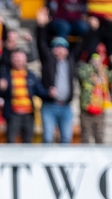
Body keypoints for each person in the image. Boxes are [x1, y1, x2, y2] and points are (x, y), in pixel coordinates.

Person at [36, 7, 83, 145]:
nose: (60, 50)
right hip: (49, 106)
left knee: (66, 139)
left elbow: (83, 44)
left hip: (66, 106)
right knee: (48, 138)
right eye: (56, 47)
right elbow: (41, 44)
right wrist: (41, 26)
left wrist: (89, 27)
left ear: (67, 50)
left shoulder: (71, 62)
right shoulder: (48, 60)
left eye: (63, 48)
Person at [0, 49, 44, 143]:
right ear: (11, 60)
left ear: (25, 60)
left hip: (29, 113)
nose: (18, 61)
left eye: (20, 59)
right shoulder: (6, 76)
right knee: (11, 139)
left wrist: (50, 92)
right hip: (13, 113)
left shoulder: (31, 76)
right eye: (16, 59)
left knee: (28, 140)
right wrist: (1, 88)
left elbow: (40, 91)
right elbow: (0, 94)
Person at [77, 52, 112, 144]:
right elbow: (81, 75)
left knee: (99, 137)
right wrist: (93, 69)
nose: (96, 63)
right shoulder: (85, 69)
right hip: (87, 108)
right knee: (85, 137)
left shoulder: (103, 71)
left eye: (98, 61)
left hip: (100, 108)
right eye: (94, 60)